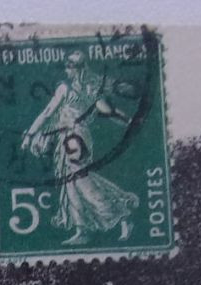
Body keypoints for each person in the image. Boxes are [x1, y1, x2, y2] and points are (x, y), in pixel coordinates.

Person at [18, 50, 140, 246]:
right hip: (75, 137)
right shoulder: (91, 90)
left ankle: (120, 211)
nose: (67, 70)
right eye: (67, 66)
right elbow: (108, 111)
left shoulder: (66, 89)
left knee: (80, 180)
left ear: (78, 68)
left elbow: (48, 112)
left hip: (73, 138)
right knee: (72, 181)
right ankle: (82, 228)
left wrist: (30, 134)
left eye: (70, 66)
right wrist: (128, 121)